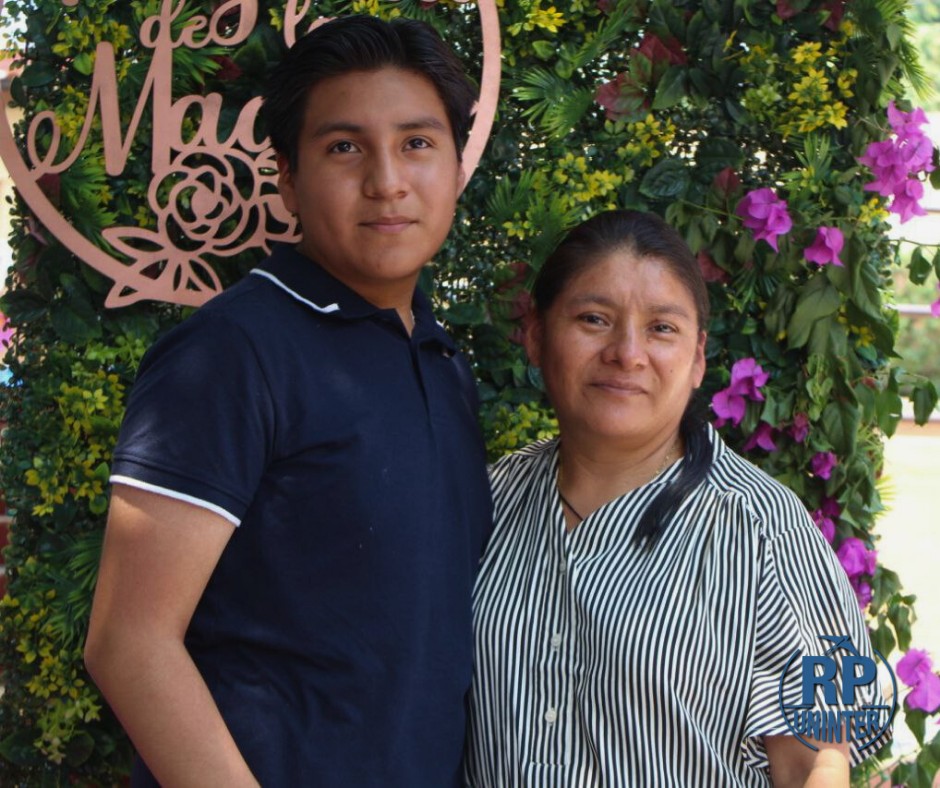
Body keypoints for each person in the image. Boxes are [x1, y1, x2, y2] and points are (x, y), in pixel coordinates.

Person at [84, 15, 493, 787]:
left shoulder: (443, 366)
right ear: (288, 177)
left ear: (456, 165)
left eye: (416, 142)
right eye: (344, 147)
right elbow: (129, 643)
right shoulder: (233, 353)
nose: (387, 181)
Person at [465, 210, 888, 786]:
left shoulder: (761, 528)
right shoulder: (489, 501)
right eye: (594, 319)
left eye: (662, 328)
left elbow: (817, 760)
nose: (627, 352)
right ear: (536, 336)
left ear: (697, 359)